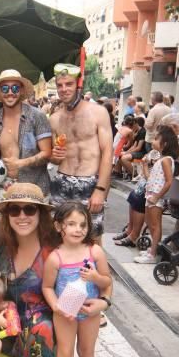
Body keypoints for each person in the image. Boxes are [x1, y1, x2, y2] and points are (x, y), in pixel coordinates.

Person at [0, 183, 109, 357]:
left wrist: (103, 303)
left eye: (29, 209)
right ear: (6, 214)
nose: (22, 216)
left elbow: (96, 276)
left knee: (43, 329)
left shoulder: (55, 244)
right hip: (1, 310)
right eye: (14, 210)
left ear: (41, 213)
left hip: (40, 310)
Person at [42, 201, 112, 357]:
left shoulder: (94, 252)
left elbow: (107, 281)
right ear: (59, 226)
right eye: (71, 224)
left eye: (82, 224)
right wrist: (56, 307)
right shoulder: (56, 258)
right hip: (65, 312)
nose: (78, 229)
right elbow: (47, 287)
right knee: (64, 356)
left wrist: (96, 282)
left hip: (90, 312)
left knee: (87, 353)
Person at [0, 69, 52, 227]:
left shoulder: (37, 117)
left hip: (33, 187)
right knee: (0, 237)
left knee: (33, 237)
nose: (10, 92)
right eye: (5, 88)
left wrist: (22, 163)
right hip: (3, 186)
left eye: (15, 88)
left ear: (22, 91)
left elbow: (47, 153)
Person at [49, 63, 113, 242]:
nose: (64, 89)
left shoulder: (98, 113)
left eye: (68, 84)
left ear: (77, 85)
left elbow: (108, 153)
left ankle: (94, 271)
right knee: (59, 237)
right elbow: (52, 158)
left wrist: (101, 189)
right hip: (62, 182)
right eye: (60, 85)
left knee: (92, 240)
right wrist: (55, 156)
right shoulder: (54, 119)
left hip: (90, 183)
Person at [134, 126, 178, 264]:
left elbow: (169, 181)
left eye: (156, 139)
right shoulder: (161, 159)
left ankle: (152, 253)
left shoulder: (166, 160)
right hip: (150, 195)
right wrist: (145, 166)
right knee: (150, 222)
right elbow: (149, 178)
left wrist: (157, 197)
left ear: (164, 144)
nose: (153, 141)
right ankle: (154, 248)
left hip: (155, 197)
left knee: (155, 225)